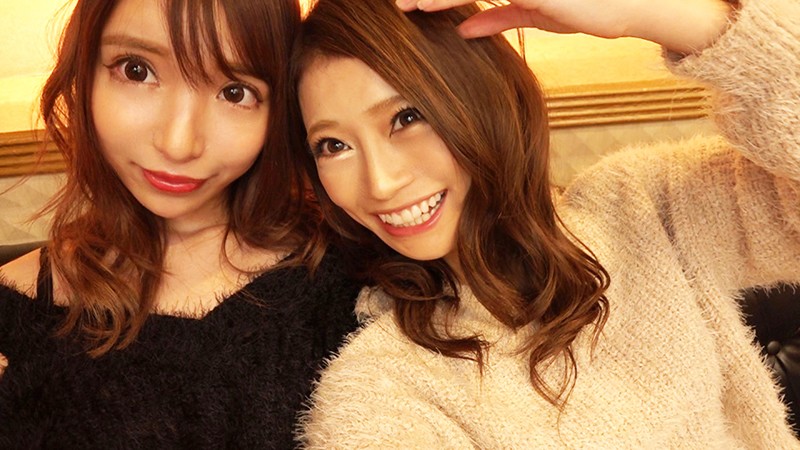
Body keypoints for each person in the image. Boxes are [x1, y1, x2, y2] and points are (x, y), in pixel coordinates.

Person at [290, 0, 800, 447]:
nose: (380, 183)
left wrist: (652, 12)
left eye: (406, 117)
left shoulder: (644, 208)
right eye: (333, 145)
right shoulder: (386, 387)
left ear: (482, 96)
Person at [0, 0, 362, 447]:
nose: (178, 143)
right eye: (136, 71)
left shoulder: (357, 284)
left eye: (235, 92)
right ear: (83, 69)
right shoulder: (12, 309)